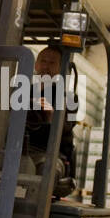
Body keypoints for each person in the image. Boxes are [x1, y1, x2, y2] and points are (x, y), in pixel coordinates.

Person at [25, 46, 77, 198]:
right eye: (43, 61)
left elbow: (67, 128)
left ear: (61, 69)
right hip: (21, 149)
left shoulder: (69, 97)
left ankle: (36, 209)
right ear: (36, 64)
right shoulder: (23, 91)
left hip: (51, 153)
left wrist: (52, 116)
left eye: (52, 63)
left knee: (45, 169)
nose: (46, 66)